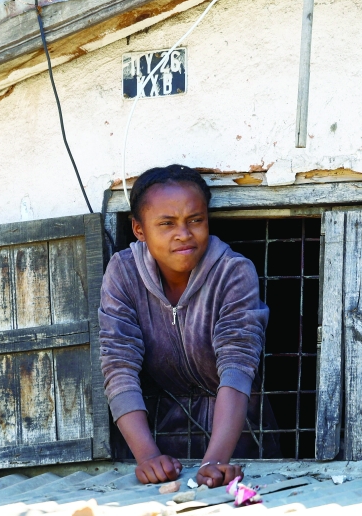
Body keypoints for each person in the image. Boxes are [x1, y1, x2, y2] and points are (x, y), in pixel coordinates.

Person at [98, 164, 277, 487]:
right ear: (139, 229)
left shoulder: (233, 272)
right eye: (166, 224)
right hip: (163, 434)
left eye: (195, 220)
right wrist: (148, 457)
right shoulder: (123, 273)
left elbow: (237, 366)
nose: (183, 234)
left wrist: (216, 460)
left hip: (241, 435)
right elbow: (118, 364)